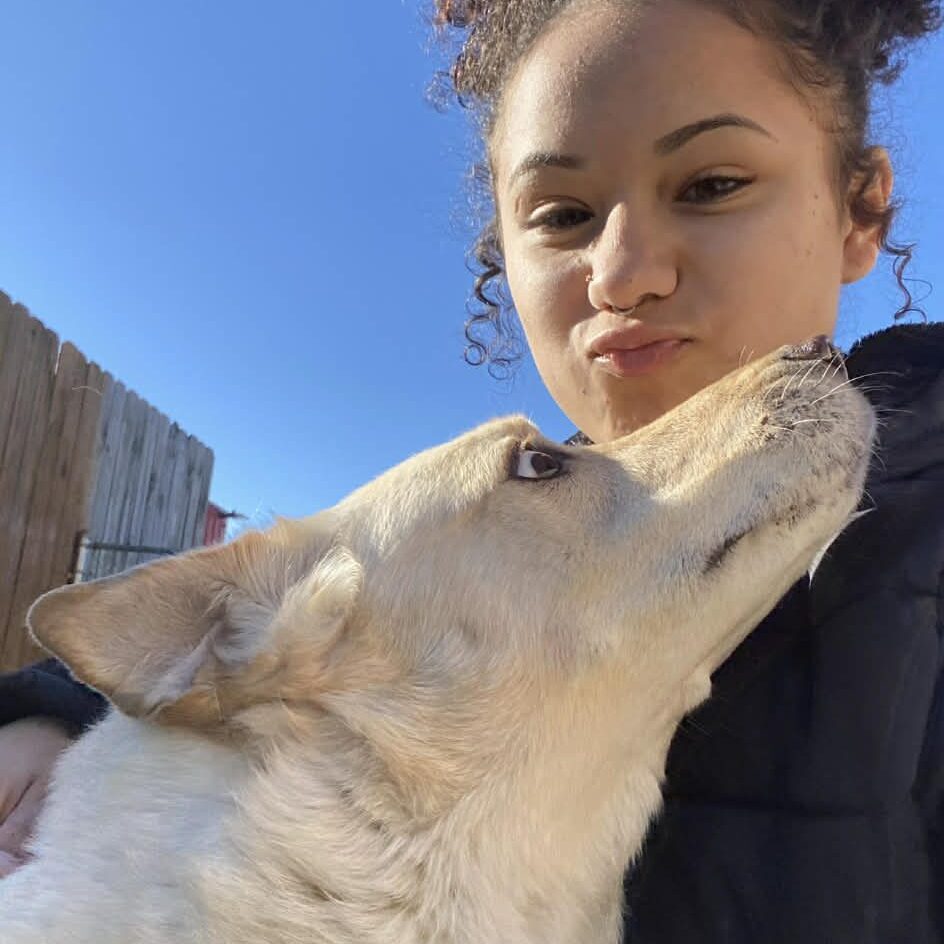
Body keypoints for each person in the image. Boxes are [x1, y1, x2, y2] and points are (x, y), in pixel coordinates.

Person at [1, 0, 942, 939]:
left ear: (861, 210)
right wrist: (48, 716)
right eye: (564, 214)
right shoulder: (461, 557)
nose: (621, 274)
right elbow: (305, 625)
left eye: (712, 184)